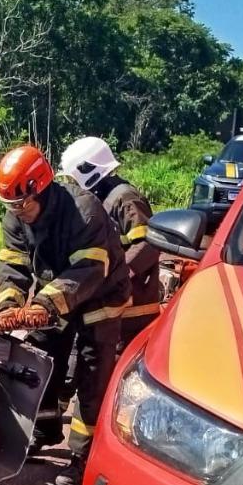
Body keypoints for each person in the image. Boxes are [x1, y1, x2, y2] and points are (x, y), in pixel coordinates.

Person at [0, 145, 130, 485]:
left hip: (100, 297)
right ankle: (44, 430)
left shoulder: (83, 210)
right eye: (10, 206)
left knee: (91, 375)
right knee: (42, 362)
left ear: (41, 188)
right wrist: (10, 304)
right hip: (56, 295)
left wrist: (43, 304)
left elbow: (89, 269)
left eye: (22, 205)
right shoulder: (17, 214)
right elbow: (13, 262)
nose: (17, 213)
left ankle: (84, 459)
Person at [59, 137, 162, 350]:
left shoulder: (124, 198)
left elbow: (149, 244)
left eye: (73, 178)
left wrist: (116, 275)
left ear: (88, 171)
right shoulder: (98, 199)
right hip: (109, 304)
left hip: (133, 307)